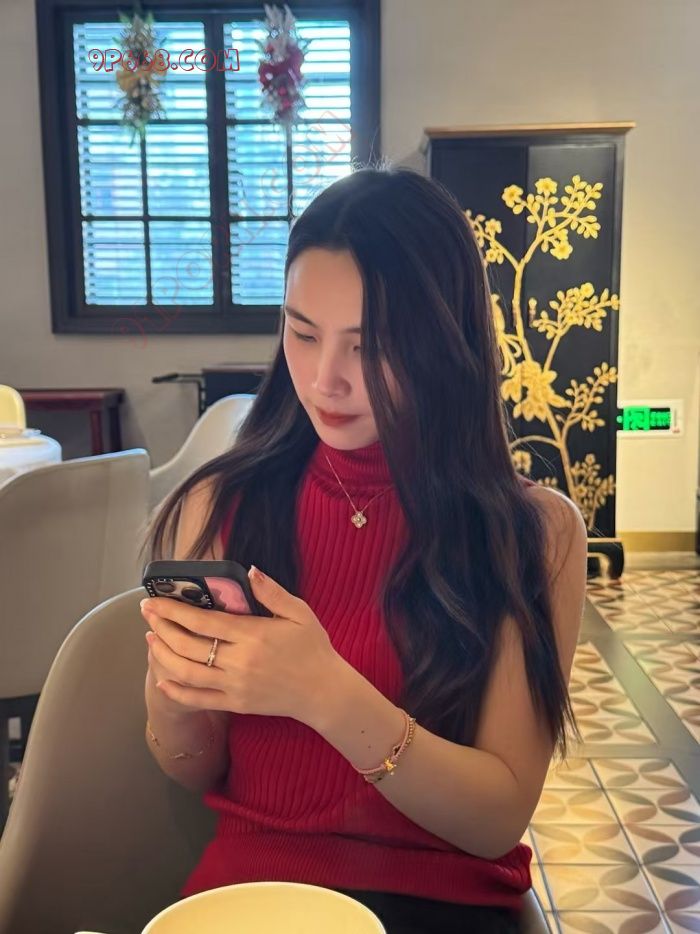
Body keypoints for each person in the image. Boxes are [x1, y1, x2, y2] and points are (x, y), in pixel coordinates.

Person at [138, 164, 588, 934]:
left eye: (369, 346)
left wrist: (324, 693)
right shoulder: (222, 504)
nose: (324, 380)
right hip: (254, 895)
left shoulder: (531, 534)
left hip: (444, 906)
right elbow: (193, 770)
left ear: (444, 342)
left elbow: (495, 820)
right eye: (302, 333)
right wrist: (172, 698)